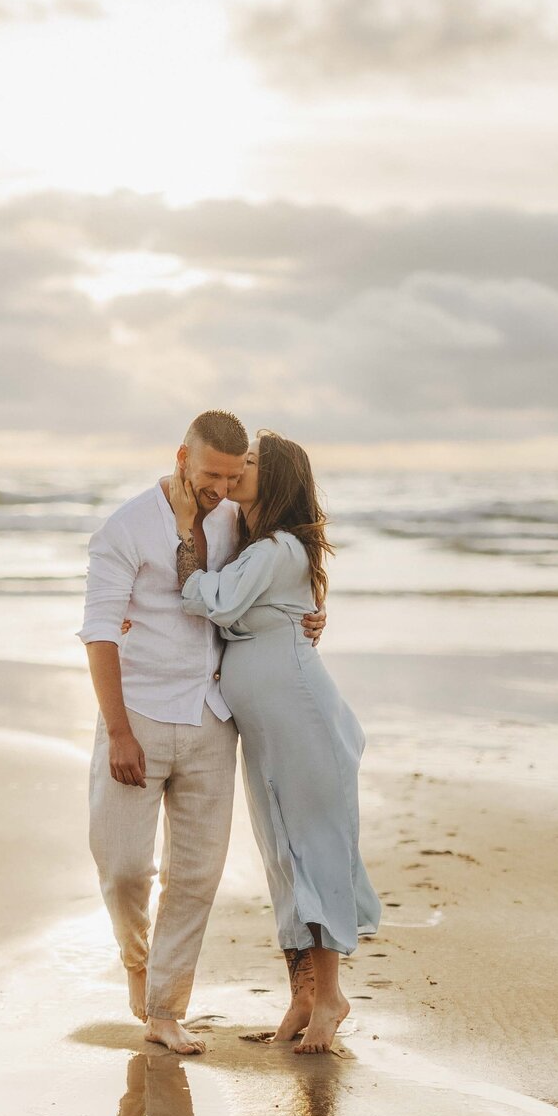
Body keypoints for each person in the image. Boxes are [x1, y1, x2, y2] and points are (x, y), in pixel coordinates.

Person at [78, 410, 326, 1055]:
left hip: (215, 717)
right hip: (140, 717)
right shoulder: (126, 529)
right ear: (181, 456)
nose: (220, 486)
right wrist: (119, 731)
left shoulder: (237, 521)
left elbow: (278, 574)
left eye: (232, 474)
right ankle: (137, 959)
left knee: (195, 877)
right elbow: (100, 633)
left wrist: (310, 615)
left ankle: (164, 1009)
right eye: (210, 472)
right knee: (125, 868)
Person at [174, 431, 382, 1054]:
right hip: (268, 722)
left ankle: (331, 999)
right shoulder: (257, 540)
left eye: (254, 464)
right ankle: (301, 994)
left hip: (298, 714)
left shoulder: (279, 547)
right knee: (282, 856)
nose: (239, 470)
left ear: (281, 478)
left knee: (313, 850)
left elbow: (216, 598)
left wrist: (188, 567)